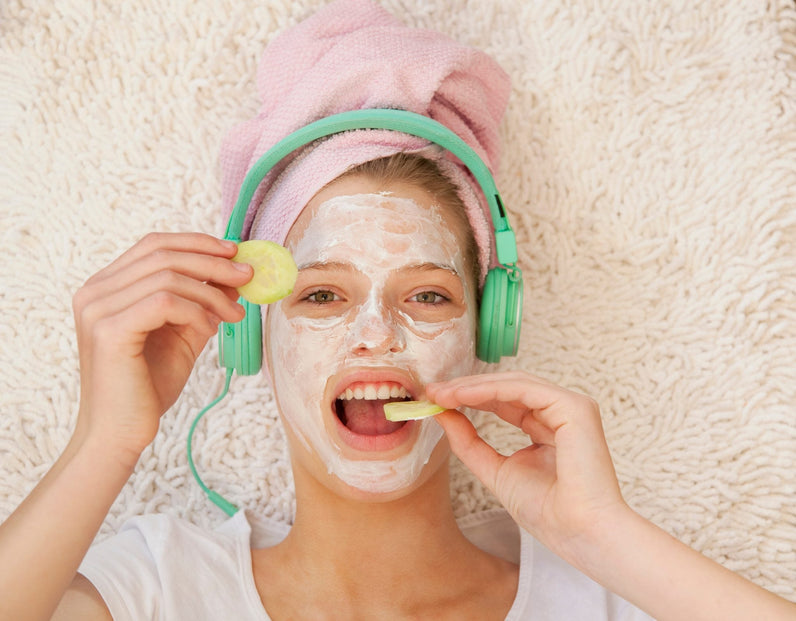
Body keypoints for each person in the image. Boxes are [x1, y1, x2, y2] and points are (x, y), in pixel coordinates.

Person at [0, 1, 793, 619]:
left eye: (425, 295)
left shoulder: (609, 588)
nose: (376, 332)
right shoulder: (156, 586)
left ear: (488, 328)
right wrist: (104, 440)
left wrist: (604, 538)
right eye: (321, 294)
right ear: (250, 334)